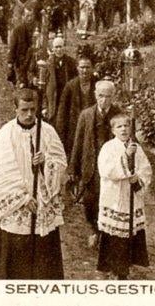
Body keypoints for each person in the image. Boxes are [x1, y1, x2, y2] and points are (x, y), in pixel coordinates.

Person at [0, 88, 67, 279]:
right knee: (15, 263)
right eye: (24, 110)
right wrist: (22, 198)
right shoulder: (5, 134)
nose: (29, 114)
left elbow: (60, 163)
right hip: (18, 206)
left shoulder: (47, 131)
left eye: (33, 109)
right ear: (15, 108)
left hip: (42, 204)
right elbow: (0, 172)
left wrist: (46, 163)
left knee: (44, 263)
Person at [97, 113, 151, 279]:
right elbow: (106, 169)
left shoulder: (137, 148)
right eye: (119, 126)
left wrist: (138, 178)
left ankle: (127, 265)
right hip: (114, 196)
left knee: (130, 231)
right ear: (113, 130)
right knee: (115, 232)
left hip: (131, 195)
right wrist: (126, 158)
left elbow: (146, 168)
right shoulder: (108, 147)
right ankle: (113, 267)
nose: (123, 129)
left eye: (126, 126)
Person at [68, 80, 122, 248]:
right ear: (95, 95)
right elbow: (78, 143)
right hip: (90, 165)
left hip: (111, 167)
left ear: (113, 96)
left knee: (109, 200)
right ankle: (94, 229)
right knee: (90, 201)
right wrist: (73, 168)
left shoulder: (119, 115)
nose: (104, 100)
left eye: (108, 96)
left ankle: (106, 234)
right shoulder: (86, 115)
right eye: (101, 96)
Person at [55, 56, 96, 158]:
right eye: (82, 67)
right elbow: (62, 110)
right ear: (77, 68)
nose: (85, 70)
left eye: (87, 67)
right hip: (74, 126)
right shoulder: (71, 86)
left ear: (92, 68)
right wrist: (60, 131)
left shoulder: (97, 84)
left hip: (92, 125)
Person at [44, 37, 76, 124]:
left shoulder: (71, 62)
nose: (59, 49)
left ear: (64, 47)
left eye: (61, 47)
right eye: (57, 47)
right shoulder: (48, 63)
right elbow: (44, 83)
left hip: (66, 94)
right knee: (53, 119)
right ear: (53, 48)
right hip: (53, 96)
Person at [8, 8, 35, 87]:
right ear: (23, 17)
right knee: (23, 84)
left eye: (31, 16)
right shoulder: (18, 30)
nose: (29, 18)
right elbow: (12, 47)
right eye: (27, 16)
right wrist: (10, 61)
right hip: (22, 61)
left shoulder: (37, 27)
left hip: (34, 60)